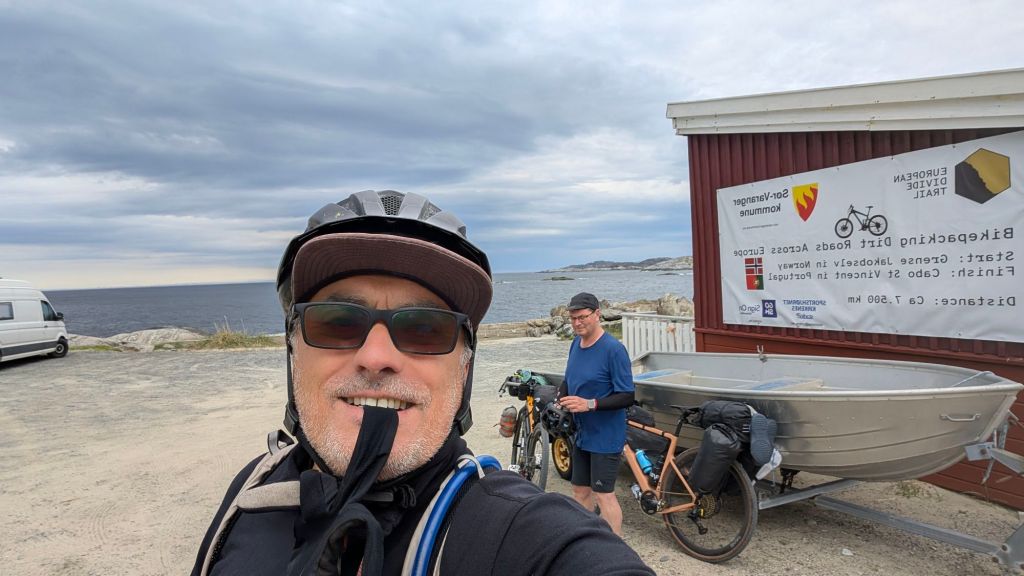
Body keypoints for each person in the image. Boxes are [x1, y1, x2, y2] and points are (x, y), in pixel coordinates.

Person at [191, 191, 654, 576]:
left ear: (465, 369)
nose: (377, 358)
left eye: (425, 329)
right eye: (336, 322)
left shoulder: (519, 534)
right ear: (293, 352)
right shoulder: (252, 493)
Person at [557, 292, 634, 536]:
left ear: (597, 314)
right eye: (573, 318)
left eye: (582, 317)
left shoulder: (613, 349)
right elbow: (569, 380)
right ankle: (586, 541)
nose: (577, 323)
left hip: (606, 435)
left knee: (603, 494)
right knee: (580, 491)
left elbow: (627, 396)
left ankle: (615, 548)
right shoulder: (575, 344)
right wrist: (561, 399)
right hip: (582, 433)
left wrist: (589, 404)